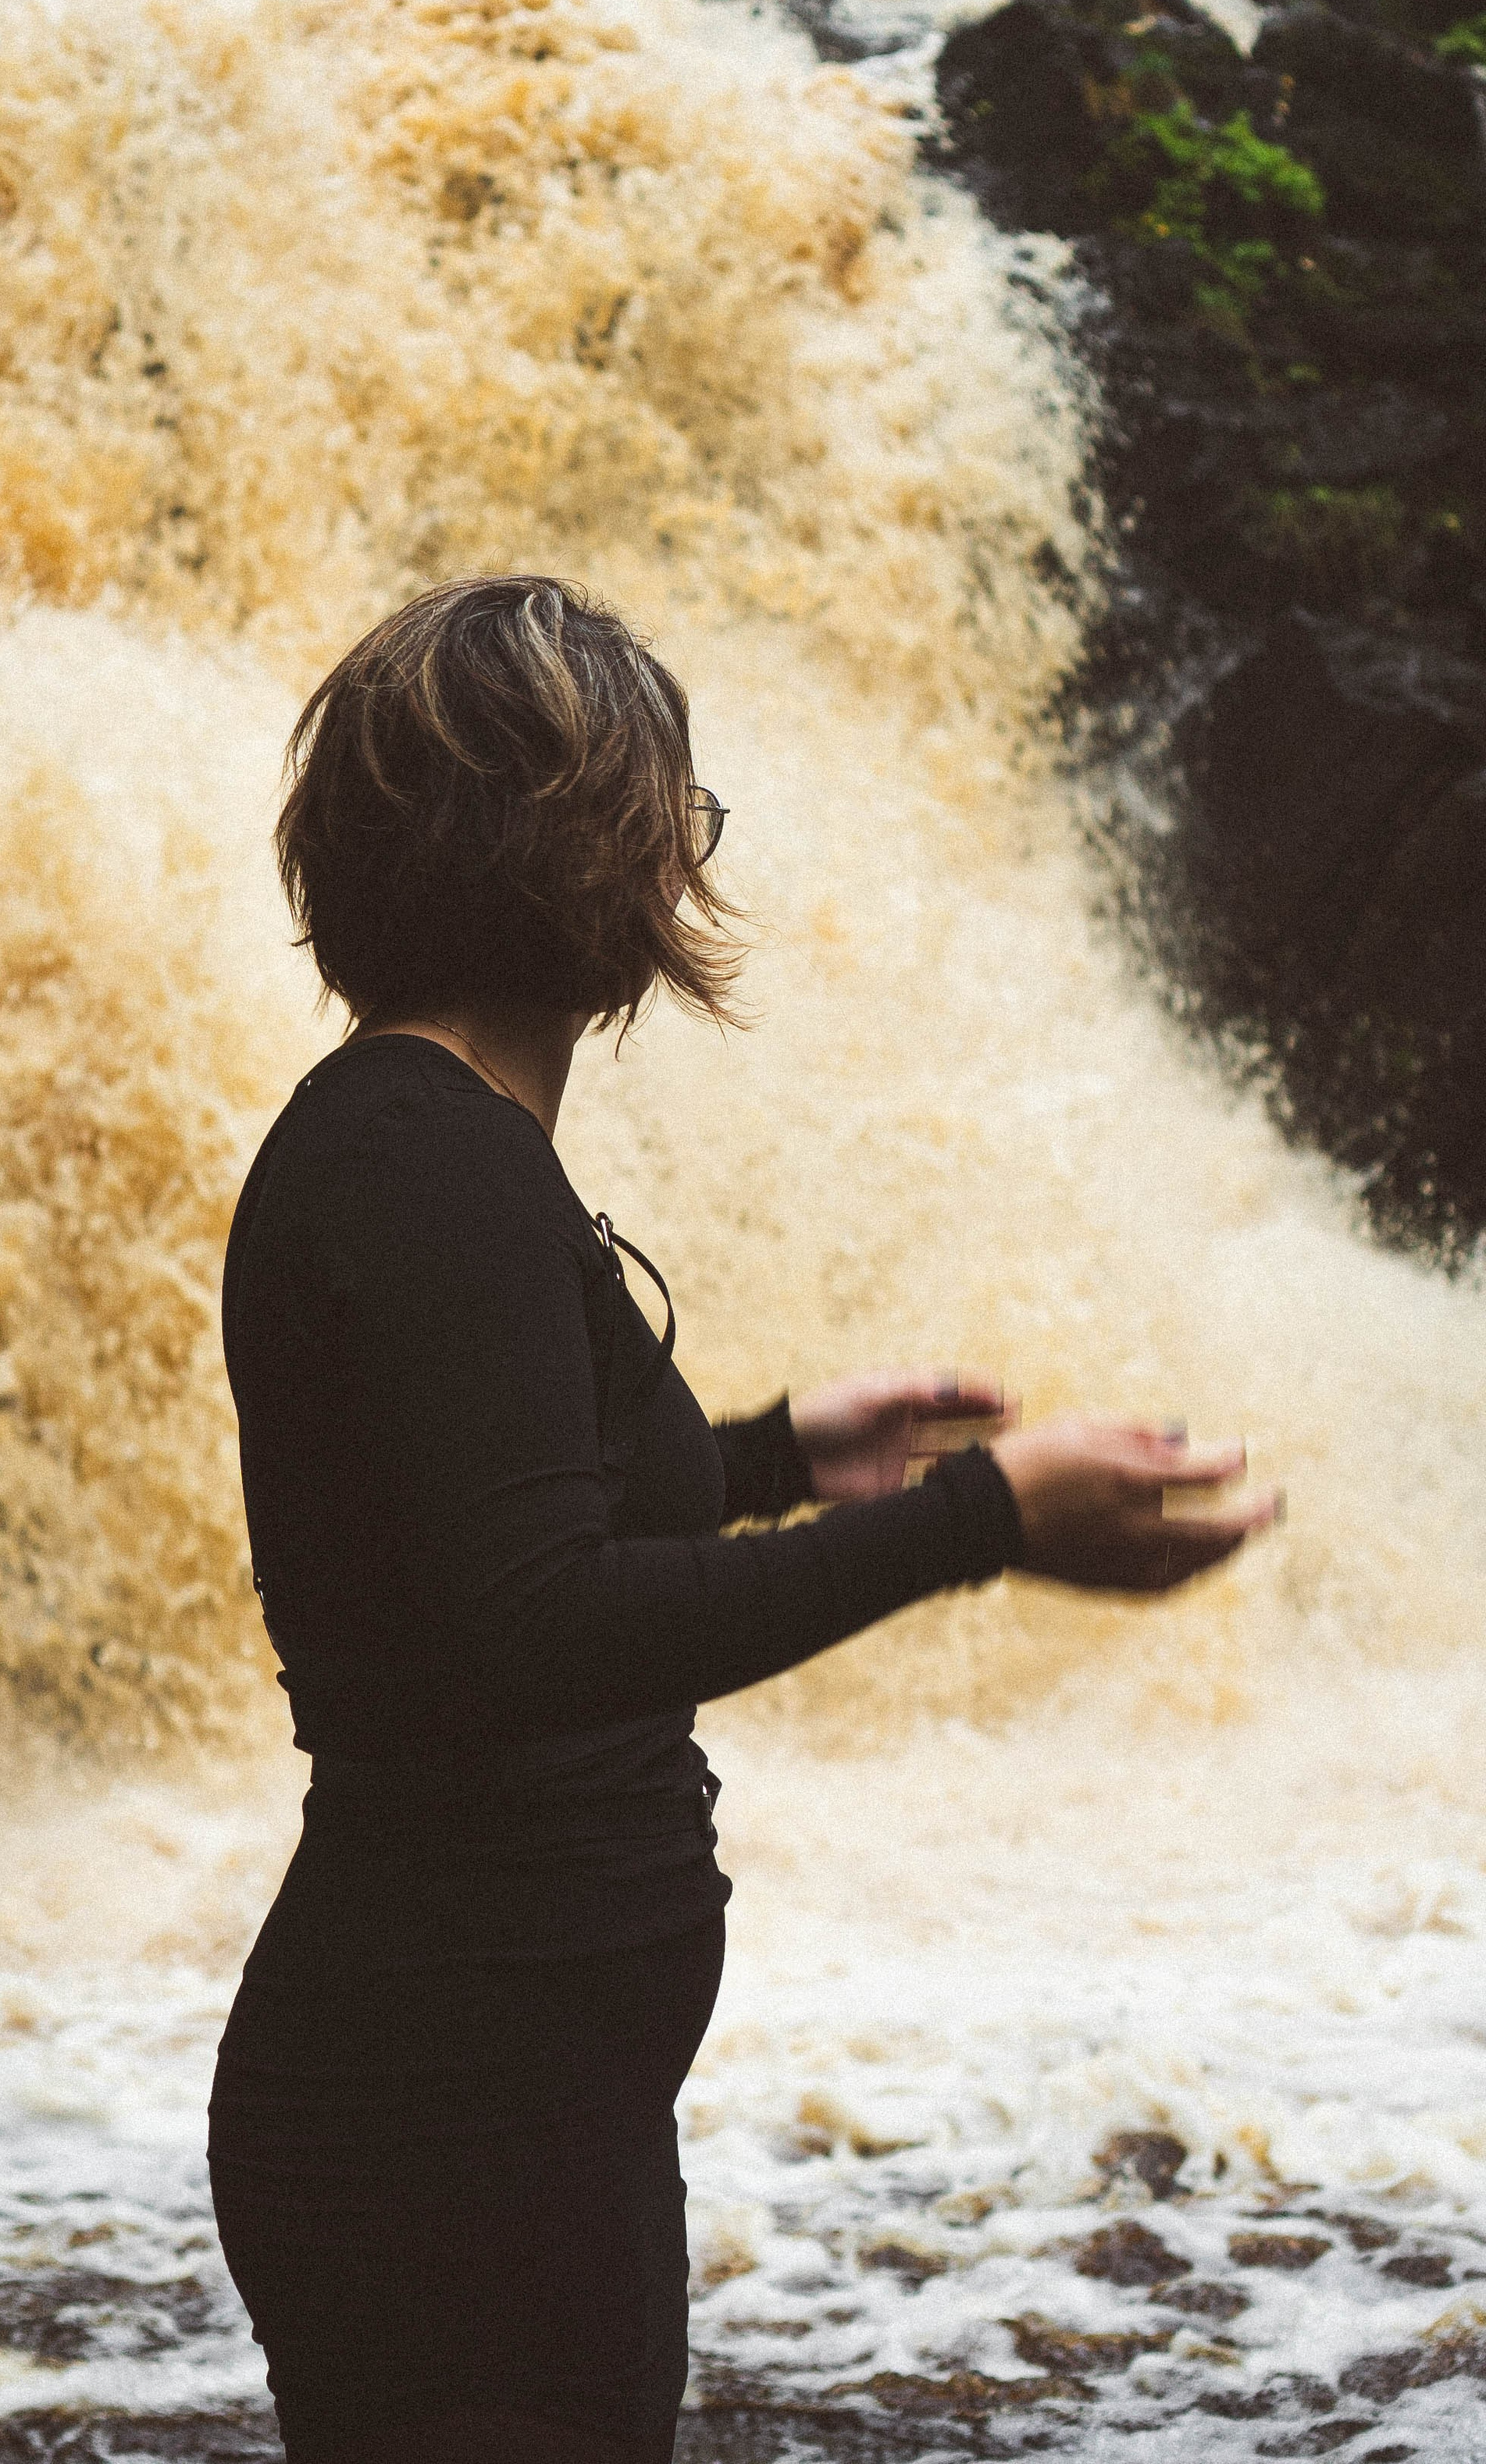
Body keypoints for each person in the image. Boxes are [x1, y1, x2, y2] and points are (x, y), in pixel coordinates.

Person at [208, 575, 1276, 2464]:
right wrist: (978, 1520)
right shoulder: (418, 1158)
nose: (678, 864)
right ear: (576, 846)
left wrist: (786, 1450)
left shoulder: (425, 1139)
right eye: (664, 817)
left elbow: (482, 1512)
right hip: (447, 2100)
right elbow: (526, 1628)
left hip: (507, 2068)